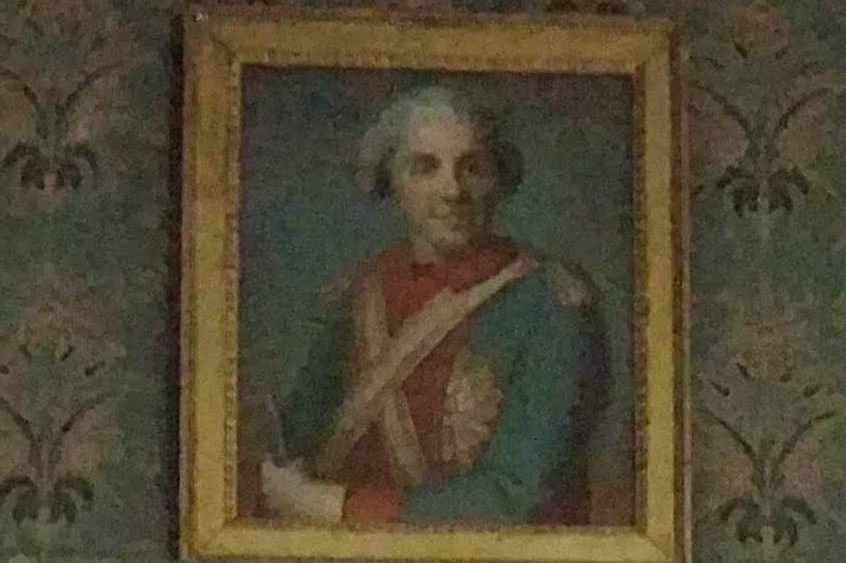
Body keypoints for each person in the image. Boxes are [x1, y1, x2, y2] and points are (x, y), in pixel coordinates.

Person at [258, 83, 610, 536]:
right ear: (391, 182)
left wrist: (333, 506)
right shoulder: (352, 298)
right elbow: (297, 453)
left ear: (499, 180)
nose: (452, 190)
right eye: (425, 167)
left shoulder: (553, 305)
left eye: (472, 168)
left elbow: (516, 499)